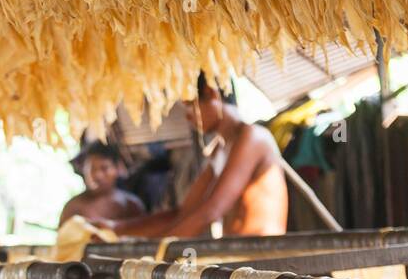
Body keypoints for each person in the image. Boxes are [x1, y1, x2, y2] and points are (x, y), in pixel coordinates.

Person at [94, 76, 288, 237]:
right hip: (241, 259)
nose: (187, 116)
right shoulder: (218, 149)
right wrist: (116, 229)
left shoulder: (253, 136)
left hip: (263, 255)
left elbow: (211, 211)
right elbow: (185, 212)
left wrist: (160, 251)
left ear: (211, 94)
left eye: (188, 105)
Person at [58, 143, 145, 225]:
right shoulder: (73, 207)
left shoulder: (131, 205)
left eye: (104, 168)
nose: (97, 175)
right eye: (92, 169)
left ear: (117, 169)